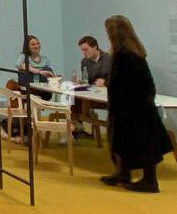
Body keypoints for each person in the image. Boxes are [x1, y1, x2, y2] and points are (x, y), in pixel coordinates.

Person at [100, 15, 171, 193]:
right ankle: (123, 173)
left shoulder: (126, 55)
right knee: (124, 140)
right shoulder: (130, 53)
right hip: (131, 105)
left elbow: (136, 83)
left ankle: (149, 180)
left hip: (134, 107)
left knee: (141, 142)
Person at [72, 35, 111, 137]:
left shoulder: (108, 58)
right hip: (92, 93)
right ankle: (77, 127)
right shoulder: (84, 61)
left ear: (95, 47)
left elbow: (117, 78)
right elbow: (87, 81)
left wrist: (105, 83)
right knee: (72, 96)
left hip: (107, 94)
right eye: (82, 50)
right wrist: (81, 82)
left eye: (86, 49)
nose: (84, 52)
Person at [14, 34, 56, 100]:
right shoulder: (24, 56)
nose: (36, 46)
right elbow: (18, 64)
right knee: (24, 71)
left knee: (48, 69)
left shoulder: (45, 59)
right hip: (29, 88)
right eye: (33, 44)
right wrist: (39, 72)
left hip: (43, 89)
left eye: (37, 43)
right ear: (27, 47)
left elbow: (48, 74)